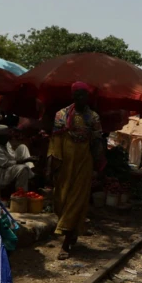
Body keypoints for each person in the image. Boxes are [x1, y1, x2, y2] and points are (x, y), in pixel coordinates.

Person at [49, 82, 103, 260]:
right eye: (78, 95)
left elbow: (96, 143)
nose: (81, 98)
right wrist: (52, 164)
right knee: (61, 200)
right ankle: (72, 233)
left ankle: (65, 244)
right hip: (64, 164)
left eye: (84, 95)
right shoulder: (61, 115)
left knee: (76, 201)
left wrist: (98, 166)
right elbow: (55, 141)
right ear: (73, 96)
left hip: (83, 164)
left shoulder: (93, 117)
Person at [0, 126, 37, 194]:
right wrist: (26, 160)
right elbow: (6, 163)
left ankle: (30, 172)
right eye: (5, 137)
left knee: (22, 147)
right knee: (23, 168)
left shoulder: (6, 142)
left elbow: (12, 155)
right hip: (3, 173)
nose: (8, 139)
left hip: (11, 164)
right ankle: (21, 193)